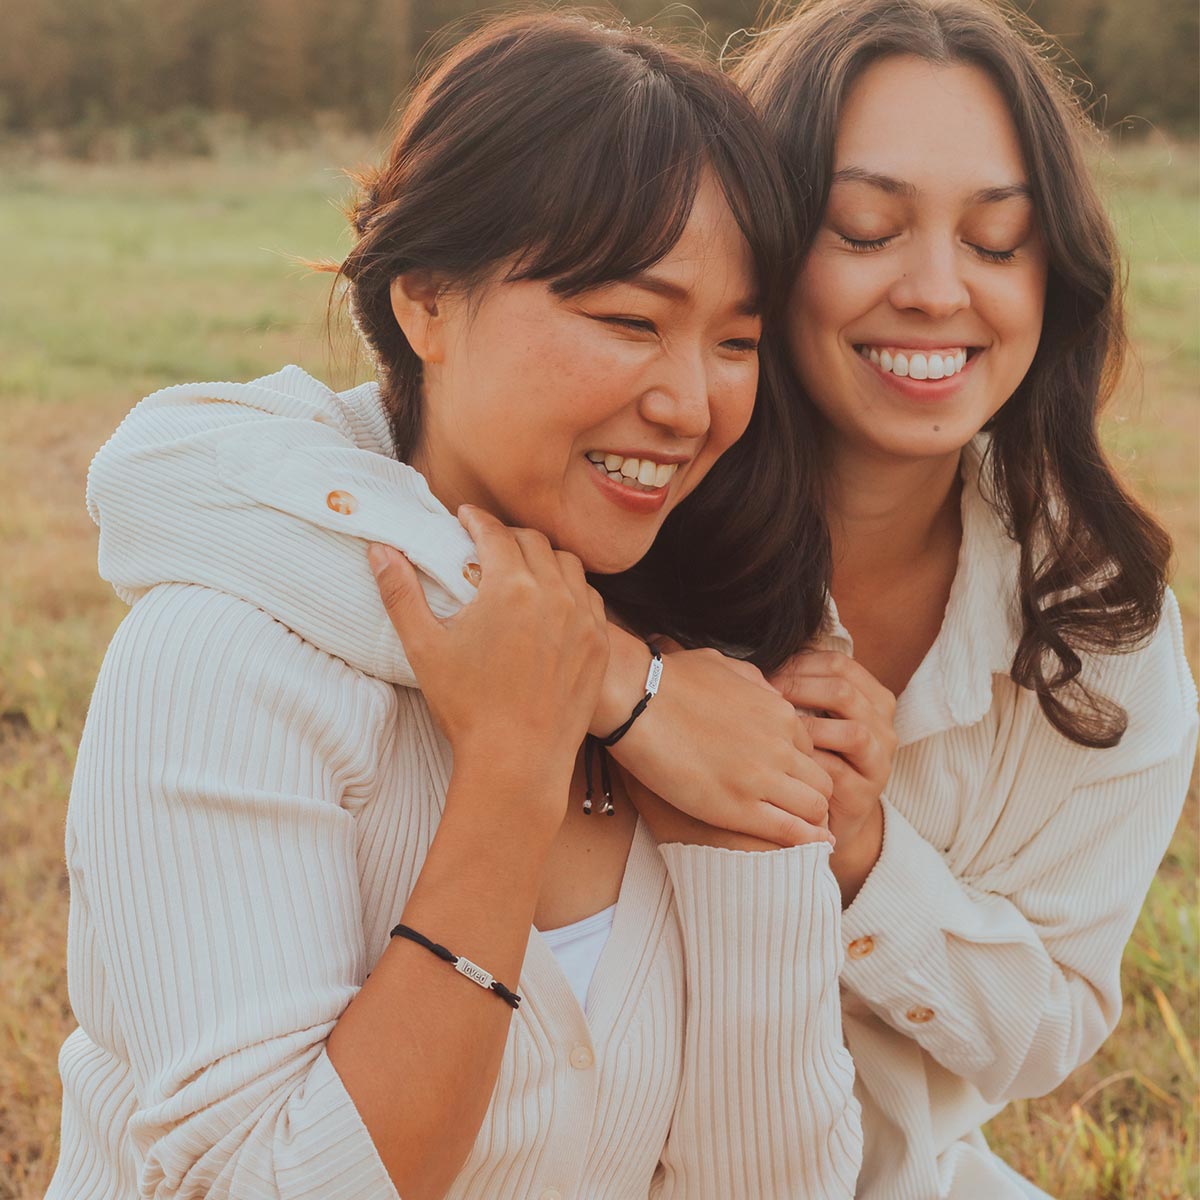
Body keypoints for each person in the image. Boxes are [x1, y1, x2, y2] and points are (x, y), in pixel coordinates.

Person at [48, 13, 862, 1200]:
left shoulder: (714, 668)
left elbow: (773, 1183)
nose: (691, 403)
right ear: (426, 302)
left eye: (735, 342)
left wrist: (741, 834)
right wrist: (521, 762)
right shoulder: (223, 661)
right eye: (630, 320)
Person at [732, 0, 1197, 1195]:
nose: (940, 290)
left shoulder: (1101, 620)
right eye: (864, 228)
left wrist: (869, 853)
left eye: (997, 243)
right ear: (759, 240)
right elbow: (180, 469)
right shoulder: (615, 502)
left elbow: (1052, 1025)